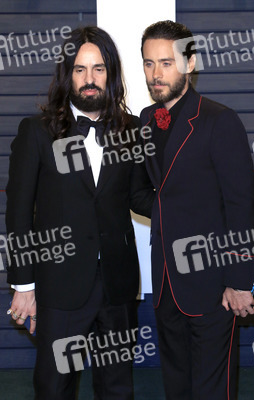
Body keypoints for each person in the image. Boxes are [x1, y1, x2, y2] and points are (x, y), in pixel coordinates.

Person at [5, 26, 154, 400]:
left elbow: (138, 197)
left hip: (118, 284)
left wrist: (187, 204)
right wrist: (23, 286)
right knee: (54, 388)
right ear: (67, 73)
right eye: (80, 69)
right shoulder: (37, 132)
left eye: (99, 69)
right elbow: (18, 214)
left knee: (117, 388)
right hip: (59, 285)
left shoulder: (131, 129)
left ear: (112, 73)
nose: (90, 80)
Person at [140, 20, 254, 400]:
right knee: (176, 385)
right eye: (148, 64)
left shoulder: (219, 120)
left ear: (190, 64)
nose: (156, 74)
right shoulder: (145, 120)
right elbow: (150, 192)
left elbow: (242, 204)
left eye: (166, 63)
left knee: (211, 390)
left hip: (213, 286)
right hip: (165, 284)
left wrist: (240, 281)